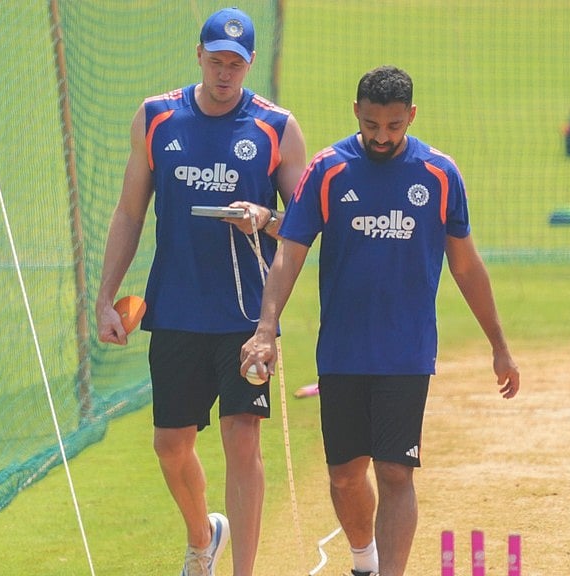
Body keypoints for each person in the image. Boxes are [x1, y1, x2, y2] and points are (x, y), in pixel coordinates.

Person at [239, 65, 520, 576]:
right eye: (371, 125)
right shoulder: (327, 170)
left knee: (395, 472)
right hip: (343, 352)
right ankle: (363, 561)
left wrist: (498, 343)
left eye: (393, 126)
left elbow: (466, 266)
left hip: (406, 352)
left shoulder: (439, 174)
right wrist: (264, 329)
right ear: (356, 113)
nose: (381, 137)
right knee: (346, 476)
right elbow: (289, 254)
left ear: (411, 116)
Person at [94, 7, 307, 576]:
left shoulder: (276, 127)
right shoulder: (157, 116)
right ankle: (202, 535)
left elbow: (308, 223)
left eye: (235, 65)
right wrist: (104, 299)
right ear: (199, 55)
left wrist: (263, 216)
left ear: (250, 64)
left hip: (245, 317)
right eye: (215, 61)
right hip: (177, 310)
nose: (224, 74)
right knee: (170, 445)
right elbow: (129, 212)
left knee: (243, 444)